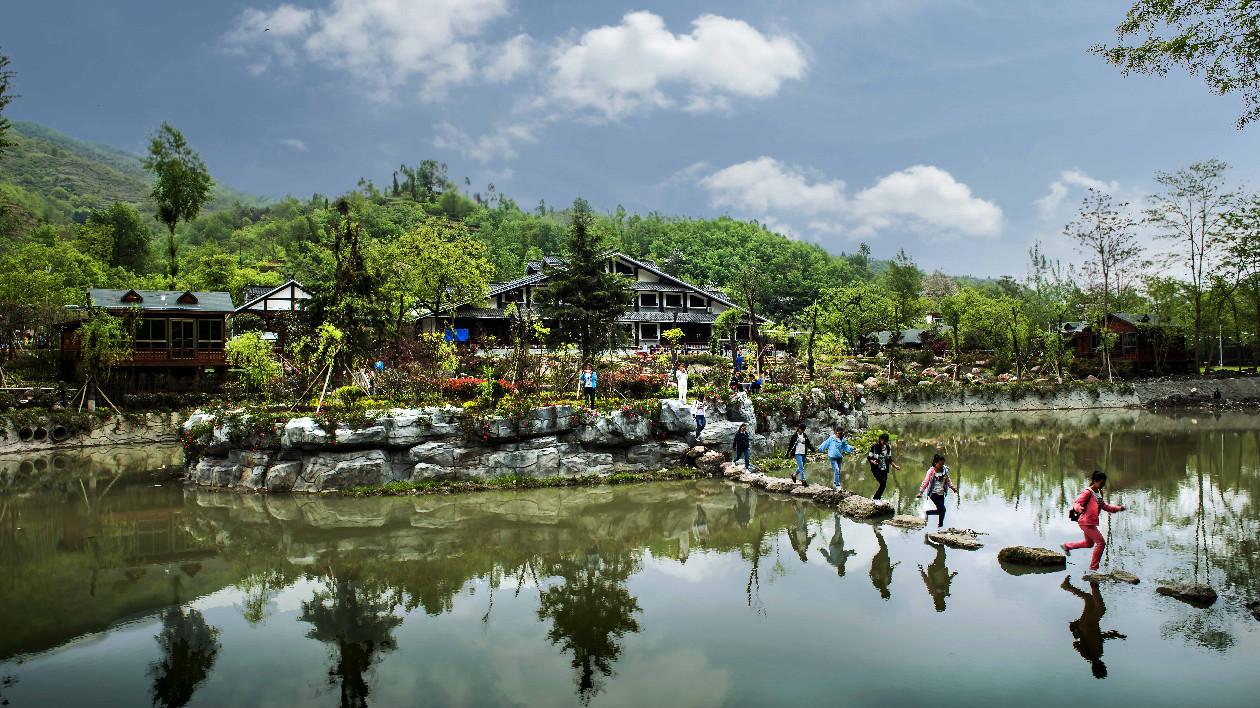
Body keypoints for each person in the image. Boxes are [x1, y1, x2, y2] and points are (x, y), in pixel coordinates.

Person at [1061, 576, 1126, 679]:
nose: (1102, 664)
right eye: (1103, 666)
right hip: (1090, 625)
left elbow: (1076, 644)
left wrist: (1082, 640)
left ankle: (1094, 584)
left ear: (1095, 667)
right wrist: (1114, 635)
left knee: (1101, 609)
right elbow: (1099, 637)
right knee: (1088, 598)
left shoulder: (1087, 655)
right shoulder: (1099, 653)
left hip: (1086, 626)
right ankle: (1067, 587)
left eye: (1101, 667)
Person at [1062, 471, 1126, 572]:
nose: (1103, 485)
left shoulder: (1099, 492)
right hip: (1085, 522)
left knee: (1089, 544)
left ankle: (1067, 546)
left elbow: (1104, 506)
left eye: (1104, 483)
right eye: (1101, 483)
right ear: (1094, 481)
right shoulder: (1087, 492)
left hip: (1090, 522)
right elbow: (1076, 503)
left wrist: (1117, 509)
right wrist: (1080, 508)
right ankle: (1093, 568)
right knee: (1101, 543)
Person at [916, 454, 958, 528]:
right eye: (940, 464)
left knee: (940, 511)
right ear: (935, 462)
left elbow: (948, 480)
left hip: (941, 493)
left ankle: (928, 512)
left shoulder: (944, 470)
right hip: (933, 493)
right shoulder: (931, 471)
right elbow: (926, 481)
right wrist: (921, 492)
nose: (941, 465)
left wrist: (953, 488)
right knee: (943, 509)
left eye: (942, 464)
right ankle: (941, 526)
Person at [919, 536, 957, 612]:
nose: (943, 602)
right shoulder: (945, 593)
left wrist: (921, 570)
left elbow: (927, 581)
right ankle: (939, 532)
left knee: (941, 551)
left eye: (941, 603)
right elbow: (947, 582)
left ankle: (929, 542)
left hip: (935, 570)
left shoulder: (933, 592)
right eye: (943, 603)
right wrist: (953, 575)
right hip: (941, 570)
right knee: (941, 549)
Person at [866, 433, 901, 500]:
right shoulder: (875, 447)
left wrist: (895, 466)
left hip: (884, 468)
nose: (884, 442)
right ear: (880, 439)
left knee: (883, 485)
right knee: (883, 483)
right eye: (883, 440)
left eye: (885, 441)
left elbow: (889, 459)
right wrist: (873, 462)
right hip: (876, 468)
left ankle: (877, 498)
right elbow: (869, 458)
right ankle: (876, 498)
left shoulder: (887, 447)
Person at [869, 527, 898, 600]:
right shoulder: (888, 582)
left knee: (884, 547)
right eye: (885, 592)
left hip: (878, 562)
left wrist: (877, 572)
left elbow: (871, 573)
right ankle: (877, 532)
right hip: (884, 562)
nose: (883, 591)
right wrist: (895, 565)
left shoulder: (877, 584)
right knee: (884, 547)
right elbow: (890, 571)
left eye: (883, 593)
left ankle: (876, 531)